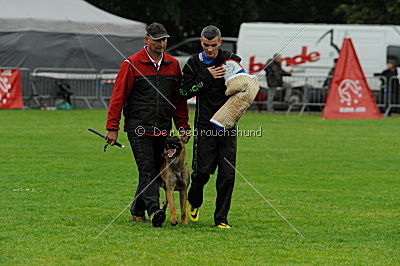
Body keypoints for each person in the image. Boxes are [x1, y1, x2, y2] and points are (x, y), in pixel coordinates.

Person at [105, 22, 190, 227]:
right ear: (147, 40)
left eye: (164, 39)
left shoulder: (173, 64)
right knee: (147, 170)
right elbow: (118, 97)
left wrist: (183, 126)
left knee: (152, 169)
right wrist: (112, 127)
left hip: (162, 128)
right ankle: (154, 211)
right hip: (138, 127)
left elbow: (177, 100)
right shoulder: (131, 64)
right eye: (157, 39)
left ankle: (136, 209)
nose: (162, 43)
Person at [179, 25, 240, 229]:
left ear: (220, 42)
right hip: (205, 124)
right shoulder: (193, 64)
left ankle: (221, 219)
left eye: (213, 45)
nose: (210, 49)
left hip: (227, 123)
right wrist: (206, 76)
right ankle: (194, 202)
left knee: (227, 174)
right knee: (202, 172)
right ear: (201, 42)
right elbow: (183, 92)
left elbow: (243, 84)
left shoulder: (231, 59)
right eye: (206, 45)